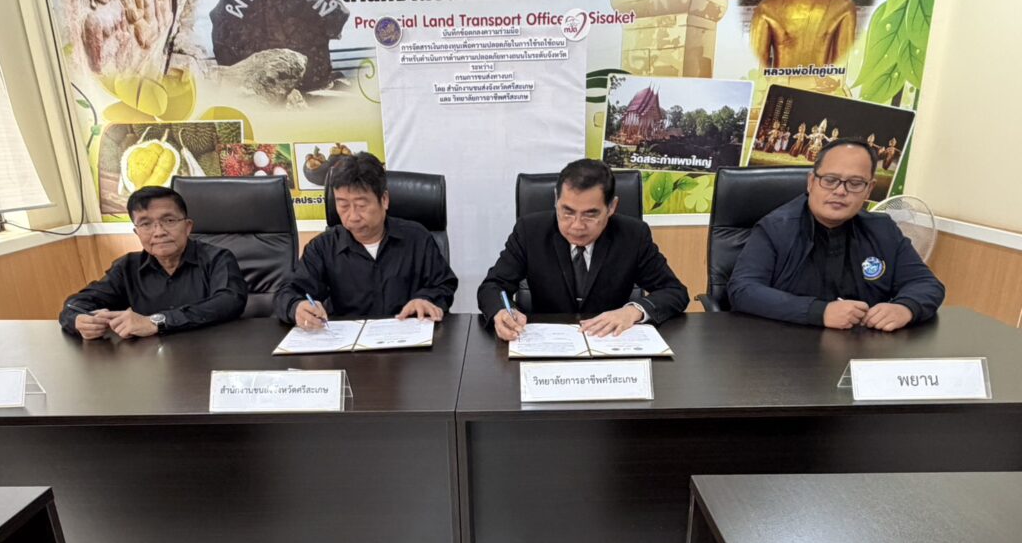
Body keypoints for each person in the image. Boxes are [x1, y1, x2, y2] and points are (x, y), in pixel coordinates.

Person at [728, 138, 945, 331]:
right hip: (786, 348)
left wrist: (906, 307)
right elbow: (743, 290)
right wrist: (819, 312)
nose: (840, 191)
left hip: (862, 350)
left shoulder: (883, 230)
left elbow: (926, 284)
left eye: (855, 183)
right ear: (811, 182)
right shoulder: (776, 228)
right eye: (830, 180)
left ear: (869, 190)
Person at [478, 158, 689, 341]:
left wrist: (633, 311)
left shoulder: (633, 235)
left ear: (611, 207)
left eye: (590, 214)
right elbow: (493, 286)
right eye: (567, 212)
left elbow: (674, 291)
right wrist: (501, 312)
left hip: (609, 345)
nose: (577, 226)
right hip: (548, 345)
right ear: (556, 200)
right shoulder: (530, 231)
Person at [274, 152, 457, 327]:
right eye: (343, 205)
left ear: (384, 200)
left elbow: (443, 284)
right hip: (346, 344)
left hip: (407, 340)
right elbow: (287, 292)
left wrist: (426, 299)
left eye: (361, 205)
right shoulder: (323, 247)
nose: (353, 216)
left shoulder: (416, 238)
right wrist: (296, 307)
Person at [59, 186, 247, 339]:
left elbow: (230, 302)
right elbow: (75, 305)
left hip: (210, 353)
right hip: (151, 361)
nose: (159, 232)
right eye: (146, 224)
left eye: (169, 220)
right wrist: (79, 320)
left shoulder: (217, 258)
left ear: (187, 226)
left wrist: (157, 321)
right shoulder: (127, 267)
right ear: (137, 232)